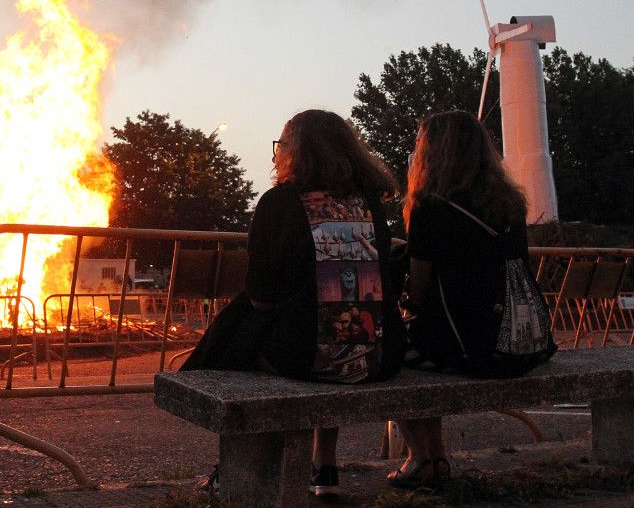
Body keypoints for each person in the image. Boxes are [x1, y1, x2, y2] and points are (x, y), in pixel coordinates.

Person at [184, 109, 400, 497]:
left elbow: (261, 296)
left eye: (281, 144)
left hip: (306, 357)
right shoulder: (368, 203)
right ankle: (325, 464)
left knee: (246, 341)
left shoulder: (280, 202)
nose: (276, 152)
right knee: (333, 319)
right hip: (377, 354)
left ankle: (238, 473)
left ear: (296, 151)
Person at [392, 110, 551, 489]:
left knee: (393, 352)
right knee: (426, 341)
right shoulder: (511, 204)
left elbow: (420, 291)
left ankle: (423, 456)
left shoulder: (431, 207)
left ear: (433, 154)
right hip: (520, 340)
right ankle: (433, 459)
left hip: (474, 346)